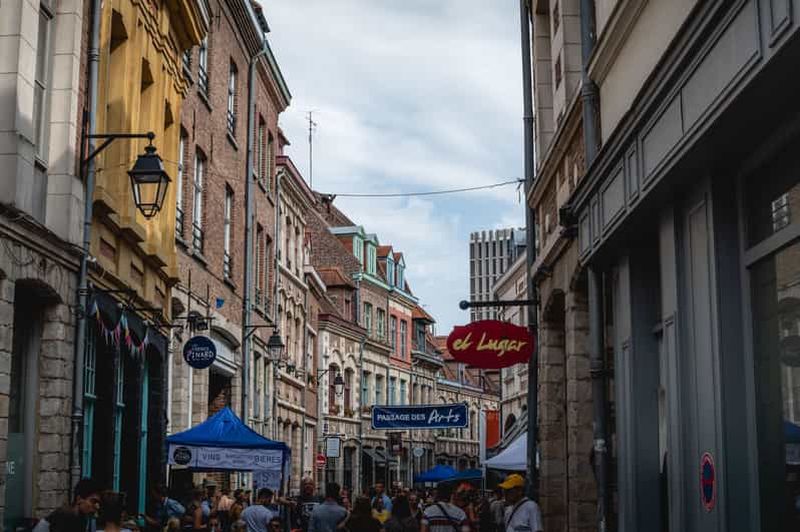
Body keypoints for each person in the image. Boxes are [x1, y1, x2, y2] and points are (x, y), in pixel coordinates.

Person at [33, 477, 103, 532]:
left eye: (97, 503)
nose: (96, 506)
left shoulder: (83, 519)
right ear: (79, 499)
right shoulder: (66, 514)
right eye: (93, 501)